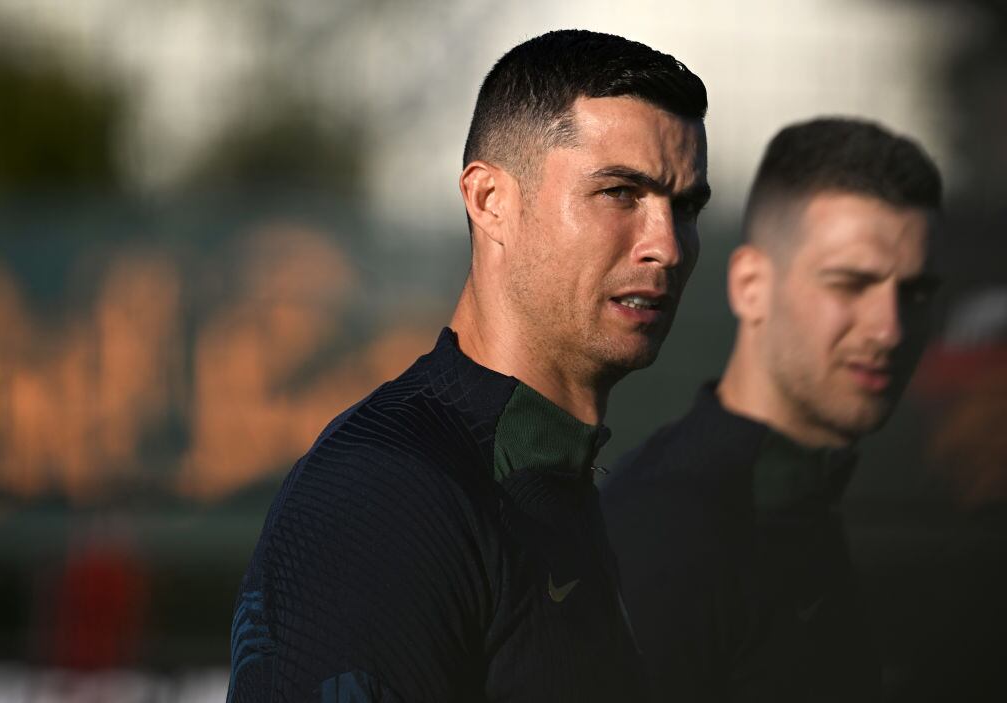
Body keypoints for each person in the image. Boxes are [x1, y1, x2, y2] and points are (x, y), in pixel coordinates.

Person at [227, 29, 711, 702]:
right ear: (490, 202)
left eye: (685, 206)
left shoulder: (554, 480)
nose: (667, 244)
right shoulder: (389, 488)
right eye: (621, 192)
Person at [601, 117, 943, 702]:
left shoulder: (811, 500)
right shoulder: (663, 535)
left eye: (913, 293)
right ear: (751, 286)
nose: (889, 329)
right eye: (849, 284)